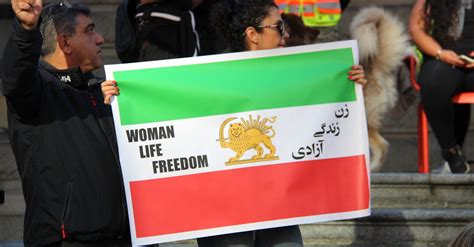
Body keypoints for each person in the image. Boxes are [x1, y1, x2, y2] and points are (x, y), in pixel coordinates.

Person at [102, 1, 365, 246]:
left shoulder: (296, 75)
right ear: (253, 34)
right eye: (278, 27)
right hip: (223, 214)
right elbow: (166, 107)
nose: (285, 35)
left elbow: (324, 109)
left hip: (280, 207)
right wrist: (122, 94)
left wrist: (347, 81)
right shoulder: (210, 76)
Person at [1, 1, 130, 246]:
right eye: (90, 30)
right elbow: (14, 77)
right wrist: (26, 30)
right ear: (65, 42)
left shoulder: (99, 91)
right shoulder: (36, 91)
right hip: (66, 240)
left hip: (121, 237)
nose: (100, 38)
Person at [409, 0, 474, 174]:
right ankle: (452, 153)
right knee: (434, 80)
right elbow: (416, 28)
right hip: (446, 59)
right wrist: (441, 53)